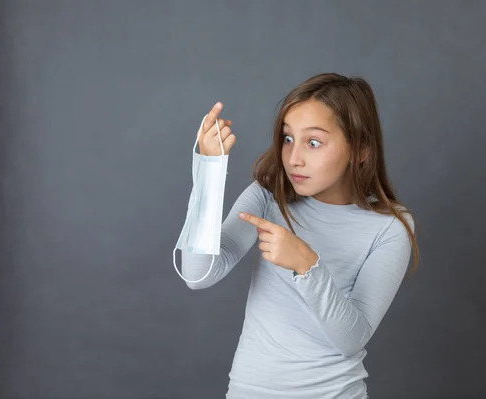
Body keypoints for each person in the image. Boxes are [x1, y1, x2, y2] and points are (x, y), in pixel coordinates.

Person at [177, 73, 419, 398]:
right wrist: (209, 168)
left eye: (314, 142)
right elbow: (198, 274)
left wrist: (307, 266)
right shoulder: (268, 196)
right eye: (288, 138)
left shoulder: (389, 226)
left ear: (360, 150)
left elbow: (352, 338)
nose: (294, 158)